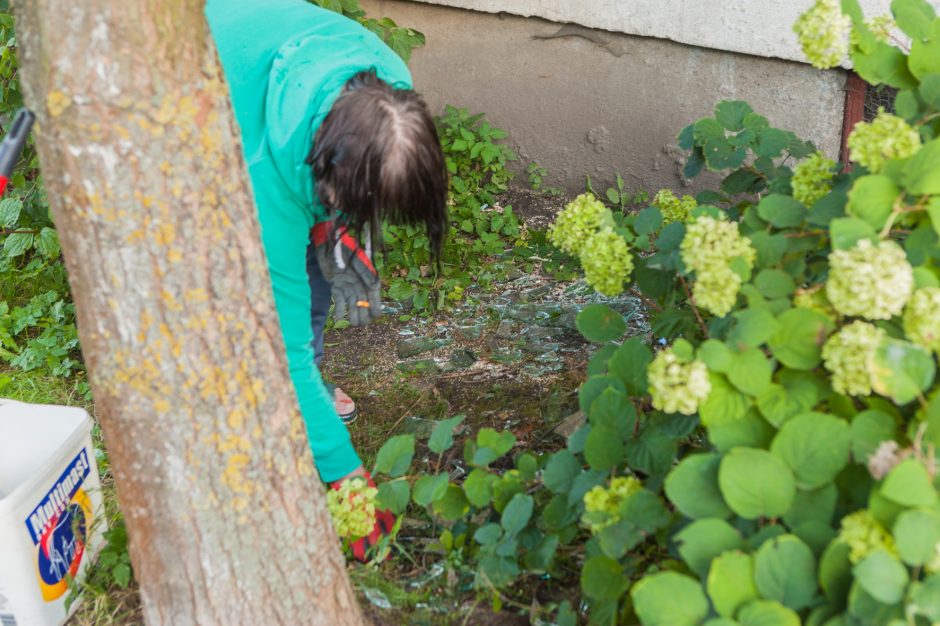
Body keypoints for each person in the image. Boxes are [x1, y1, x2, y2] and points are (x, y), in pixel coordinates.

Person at [206, 0, 448, 560]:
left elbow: (340, 180)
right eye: (356, 208)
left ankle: (308, 400)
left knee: (318, 264)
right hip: (203, 81)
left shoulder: (391, 91)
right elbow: (281, 354)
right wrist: (347, 484)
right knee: (269, 325)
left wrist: (335, 231)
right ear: (324, 172)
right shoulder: (266, 179)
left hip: (260, 62)